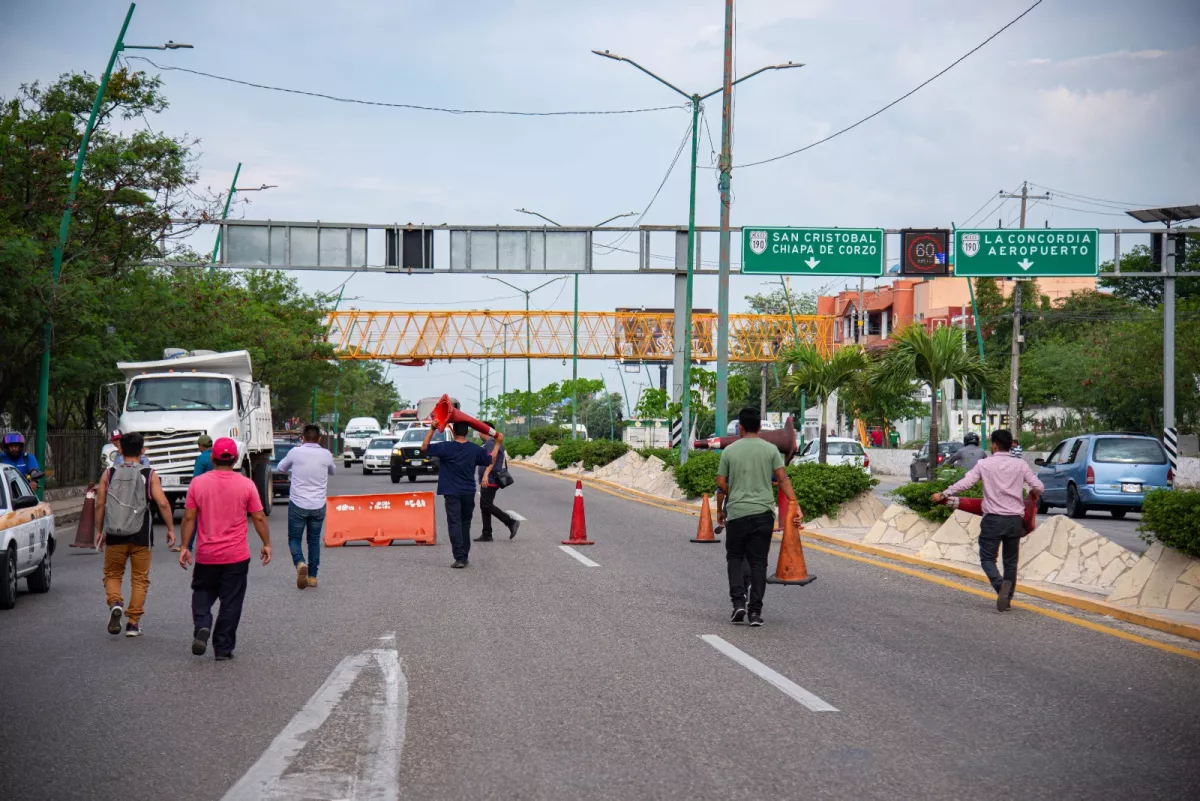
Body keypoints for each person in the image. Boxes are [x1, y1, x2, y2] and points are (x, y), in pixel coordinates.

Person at [179, 437, 272, 661]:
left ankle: (202, 624)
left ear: (212, 457)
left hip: (206, 555)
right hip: (236, 556)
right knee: (231, 602)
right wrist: (266, 543)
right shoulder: (246, 484)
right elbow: (258, 517)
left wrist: (184, 546)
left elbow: (189, 517)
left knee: (202, 594)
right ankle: (222, 648)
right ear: (236, 459)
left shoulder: (198, 484)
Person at [933, 429, 1043, 612]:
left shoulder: (984, 464)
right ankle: (1007, 599)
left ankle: (1000, 586)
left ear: (994, 445)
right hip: (1015, 519)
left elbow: (966, 483)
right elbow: (1039, 486)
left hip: (993, 519)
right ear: (1011, 445)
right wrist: (1033, 494)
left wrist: (944, 493)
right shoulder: (1021, 465)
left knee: (987, 558)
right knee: (1010, 561)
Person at [715, 407, 803, 628]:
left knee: (735, 558)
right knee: (759, 563)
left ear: (740, 428)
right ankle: (755, 612)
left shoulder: (730, 451)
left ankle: (738, 604)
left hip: (737, 513)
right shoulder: (771, 449)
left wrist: (725, 503)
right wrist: (795, 504)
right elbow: (782, 479)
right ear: (760, 427)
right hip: (764, 514)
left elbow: (720, 483)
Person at [93, 432, 176, 637]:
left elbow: (100, 504)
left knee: (112, 574)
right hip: (141, 534)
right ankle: (132, 623)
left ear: (119, 449)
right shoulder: (149, 474)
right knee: (140, 579)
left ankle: (116, 602)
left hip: (114, 533)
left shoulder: (109, 473)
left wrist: (98, 530)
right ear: (143, 451)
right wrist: (171, 529)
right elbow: (163, 503)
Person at [422, 421, 503, 568]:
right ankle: (464, 556)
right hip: (468, 492)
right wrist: (498, 443)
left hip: (451, 492)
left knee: (454, 523)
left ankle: (459, 558)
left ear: (453, 432)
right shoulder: (474, 449)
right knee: (465, 524)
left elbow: (424, 447)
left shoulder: (445, 447)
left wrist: (432, 429)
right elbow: (491, 459)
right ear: (467, 433)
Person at [277, 424, 335, 589]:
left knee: (294, 539)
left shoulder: (295, 452)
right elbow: (332, 471)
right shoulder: (326, 454)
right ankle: (312, 577)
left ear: (302, 437)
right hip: (318, 505)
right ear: (319, 438)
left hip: (298, 504)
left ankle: (300, 563)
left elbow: (281, 467)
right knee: (314, 540)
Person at [474, 422, 519, 542]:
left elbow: (492, 460)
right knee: (484, 506)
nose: (478, 433)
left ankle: (510, 522)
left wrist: (485, 475)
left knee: (486, 505)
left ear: (486, 431)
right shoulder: (489, 443)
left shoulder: (491, 443)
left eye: (480, 430)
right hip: (488, 478)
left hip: (490, 478)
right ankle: (486, 533)